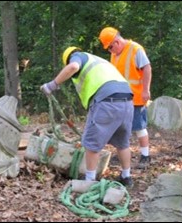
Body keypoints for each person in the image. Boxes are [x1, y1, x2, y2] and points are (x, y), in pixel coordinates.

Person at [40, 46, 134, 187]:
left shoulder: (78, 57)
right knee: (122, 143)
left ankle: (89, 181)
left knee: (92, 144)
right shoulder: (99, 61)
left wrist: (52, 85)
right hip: (127, 101)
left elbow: (73, 67)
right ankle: (126, 177)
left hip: (107, 102)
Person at [99, 27, 152, 169]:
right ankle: (122, 153)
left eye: (110, 47)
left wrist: (146, 90)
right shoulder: (115, 54)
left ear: (116, 41)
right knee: (120, 128)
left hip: (136, 97)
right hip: (120, 99)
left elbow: (147, 68)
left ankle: (145, 156)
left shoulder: (135, 49)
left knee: (139, 127)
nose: (110, 51)